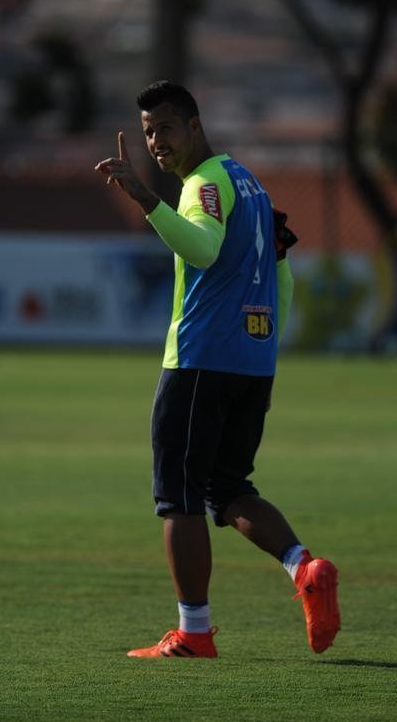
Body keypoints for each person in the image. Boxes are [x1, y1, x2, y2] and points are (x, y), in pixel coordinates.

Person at [95, 80, 340, 659]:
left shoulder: (204, 185)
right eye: (149, 131)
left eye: (167, 129)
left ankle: (194, 631)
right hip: (252, 364)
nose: (157, 142)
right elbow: (283, 275)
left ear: (196, 127)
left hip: (201, 360)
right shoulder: (249, 184)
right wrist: (265, 353)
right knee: (227, 489)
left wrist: (144, 198)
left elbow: (202, 250)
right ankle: (304, 568)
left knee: (177, 498)